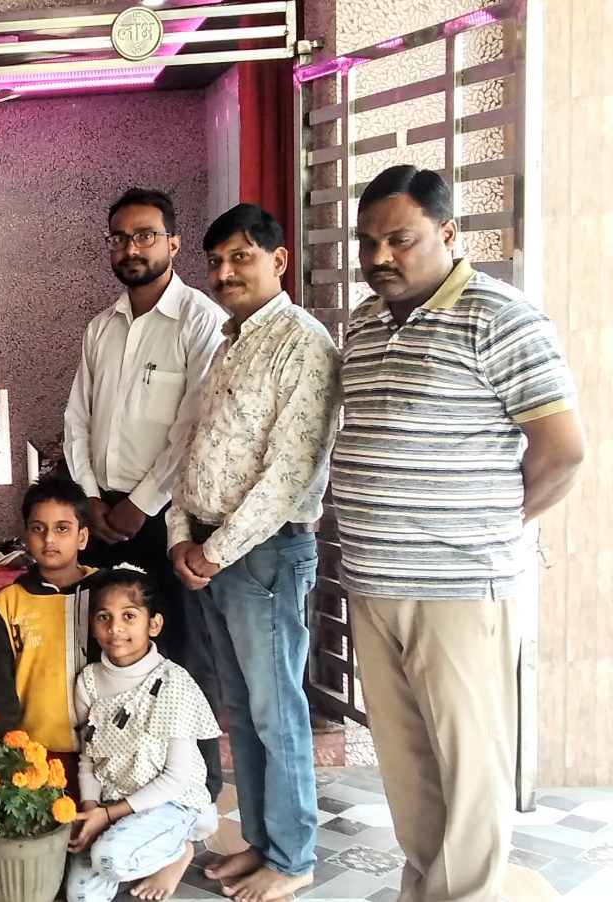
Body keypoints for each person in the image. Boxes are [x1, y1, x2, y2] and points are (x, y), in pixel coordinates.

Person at [332, 166, 584, 902]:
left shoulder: (501, 317)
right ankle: (424, 890)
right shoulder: (363, 324)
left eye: (400, 239)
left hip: (461, 589)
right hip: (373, 583)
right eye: (368, 241)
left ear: (446, 233)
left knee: (470, 771)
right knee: (408, 766)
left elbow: (563, 452)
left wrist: (492, 525)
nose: (380, 256)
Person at [167, 203, 340, 902]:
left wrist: (214, 552)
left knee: (275, 711)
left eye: (241, 256)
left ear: (279, 260)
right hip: (211, 547)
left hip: (265, 553)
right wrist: (182, 536)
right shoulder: (230, 342)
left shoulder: (302, 343)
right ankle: (264, 843)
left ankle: (293, 858)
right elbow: (194, 448)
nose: (224, 272)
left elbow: (289, 474)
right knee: (239, 708)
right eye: (216, 261)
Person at [63, 187, 227, 800]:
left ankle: (195, 790)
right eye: (120, 238)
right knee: (107, 644)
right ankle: (113, 780)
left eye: (145, 235)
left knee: (179, 647)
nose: (131, 248)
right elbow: (77, 418)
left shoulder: (200, 321)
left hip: (168, 518)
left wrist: (142, 503)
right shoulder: (100, 328)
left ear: (173, 243)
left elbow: (195, 425)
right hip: (103, 513)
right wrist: (90, 499)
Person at [66, 568, 220, 902]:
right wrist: (91, 811)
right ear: (92, 625)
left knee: (109, 858)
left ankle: (178, 851)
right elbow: (88, 757)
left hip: (170, 801)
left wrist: (108, 816)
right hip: (113, 801)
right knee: (81, 896)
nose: (115, 628)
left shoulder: (173, 682)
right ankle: (139, 847)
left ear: (154, 624)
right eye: (104, 617)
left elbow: (175, 778)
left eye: (129, 616)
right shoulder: (89, 681)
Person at [0, 476, 99, 759]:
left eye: (62, 528)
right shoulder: (8, 604)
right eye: (38, 528)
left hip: (106, 749)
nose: (49, 539)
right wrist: (10, 750)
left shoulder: (107, 594)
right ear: (26, 536)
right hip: (34, 752)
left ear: (82, 537)